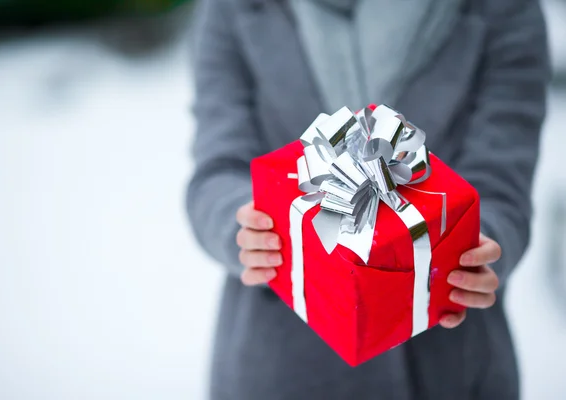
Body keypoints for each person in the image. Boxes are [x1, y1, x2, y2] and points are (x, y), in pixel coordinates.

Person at [186, 0, 550, 398]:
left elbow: (502, 179)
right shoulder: (235, 9)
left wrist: (480, 242)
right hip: (280, 359)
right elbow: (218, 168)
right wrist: (241, 223)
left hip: (446, 364)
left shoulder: (504, 10)